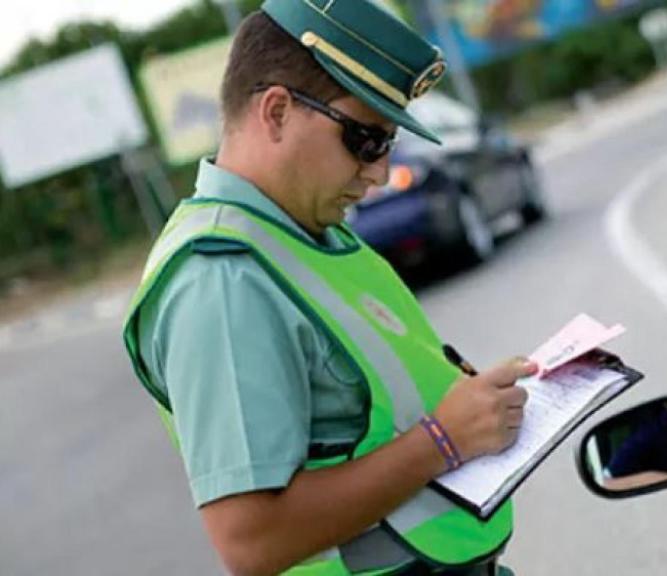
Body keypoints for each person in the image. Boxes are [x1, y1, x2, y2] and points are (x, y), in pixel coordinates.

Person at [121, 2, 536, 574]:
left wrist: (467, 404)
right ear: (277, 112)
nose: (380, 173)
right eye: (367, 140)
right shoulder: (220, 277)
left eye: (388, 144)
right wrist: (443, 440)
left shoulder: (304, 234)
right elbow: (251, 540)